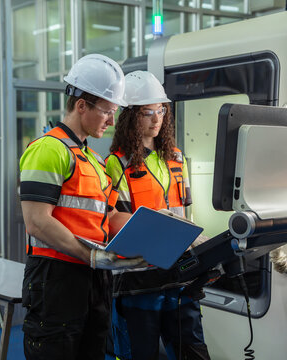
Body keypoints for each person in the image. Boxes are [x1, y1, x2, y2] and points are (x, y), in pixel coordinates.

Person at [19, 54, 145, 360]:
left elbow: (110, 215)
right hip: (56, 279)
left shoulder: (95, 161)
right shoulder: (48, 150)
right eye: (107, 112)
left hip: (93, 279)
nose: (112, 121)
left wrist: (157, 229)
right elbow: (37, 221)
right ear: (81, 105)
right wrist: (92, 256)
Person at [106, 70, 211, 360]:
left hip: (179, 276)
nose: (156, 119)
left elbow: (184, 212)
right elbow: (118, 226)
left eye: (161, 110)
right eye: (147, 112)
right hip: (138, 281)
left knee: (193, 351)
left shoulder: (176, 159)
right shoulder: (117, 165)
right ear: (130, 117)